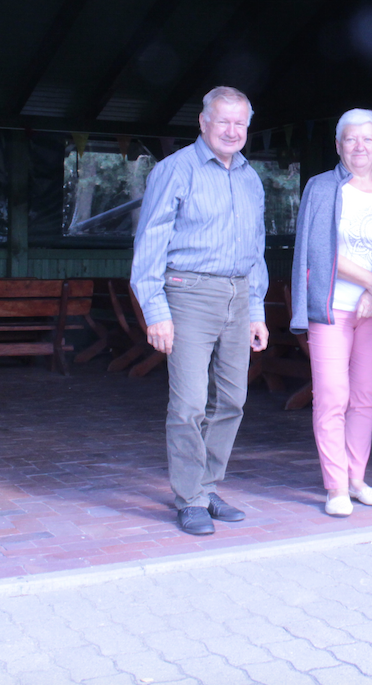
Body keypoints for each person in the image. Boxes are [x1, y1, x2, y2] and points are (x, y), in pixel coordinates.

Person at [131, 86, 270, 537]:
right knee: (189, 403)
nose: (232, 131)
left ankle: (208, 487)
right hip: (188, 293)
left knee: (232, 399)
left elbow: (256, 248)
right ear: (203, 122)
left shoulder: (250, 176)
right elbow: (149, 241)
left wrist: (256, 309)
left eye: (240, 123)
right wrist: (155, 310)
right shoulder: (175, 170)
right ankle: (189, 497)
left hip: (238, 293)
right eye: (223, 121)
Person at [290, 109, 372, 517]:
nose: (359, 147)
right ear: (339, 146)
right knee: (332, 395)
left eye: (367, 139)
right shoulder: (321, 188)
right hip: (331, 306)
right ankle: (335, 486)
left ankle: (357, 479)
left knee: (365, 398)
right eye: (350, 140)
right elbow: (318, 250)